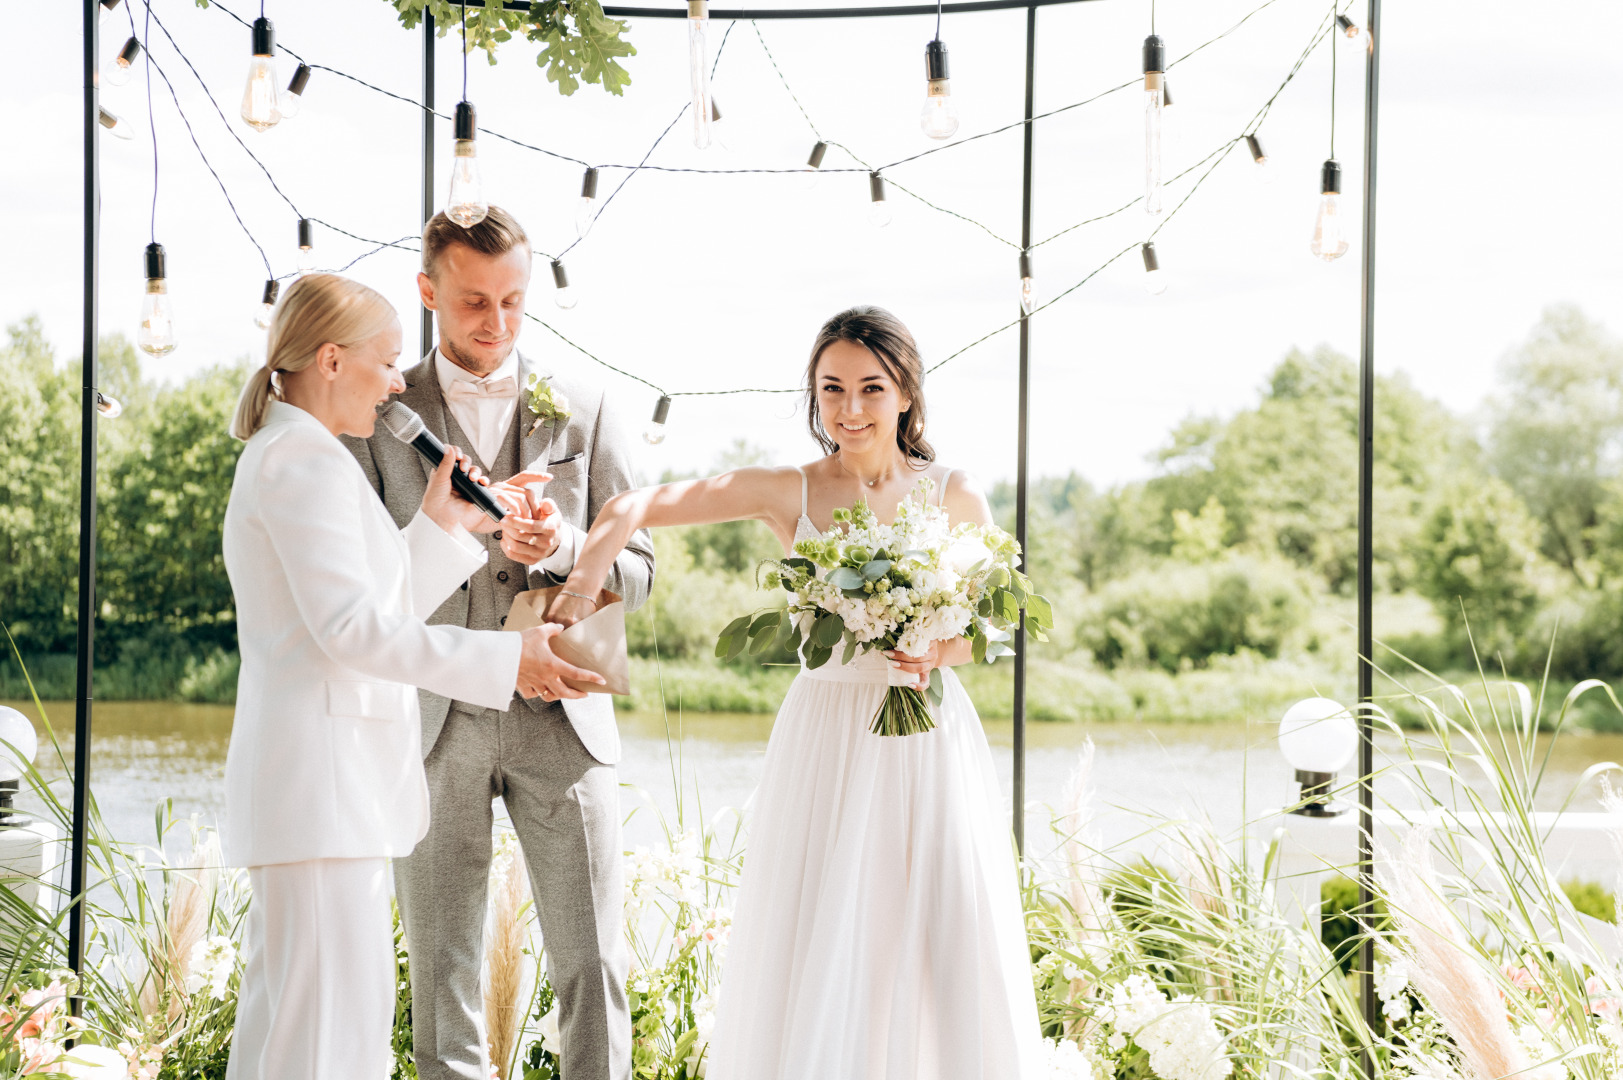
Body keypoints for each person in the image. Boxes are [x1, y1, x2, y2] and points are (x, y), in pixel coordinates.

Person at [551, 306, 1043, 1079]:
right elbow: (629, 508)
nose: (849, 410)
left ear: (906, 393)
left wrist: (929, 648)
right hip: (825, 736)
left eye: (870, 388)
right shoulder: (790, 491)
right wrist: (579, 593)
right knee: (823, 925)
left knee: (929, 927)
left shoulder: (955, 494)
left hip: (923, 741)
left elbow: (986, 632)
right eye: (831, 389)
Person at [221, 273, 602, 1079]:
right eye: (388, 361)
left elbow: (366, 605)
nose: (399, 382)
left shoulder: (297, 454)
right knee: (321, 1046)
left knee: (307, 1034)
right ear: (330, 360)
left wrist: (440, 523)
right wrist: (509, 657)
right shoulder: (305, 462)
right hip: (323, 799)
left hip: (328, 802)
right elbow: (354, 633)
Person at [343, 207, 654, 1080]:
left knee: (592, 965)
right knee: (442, 975)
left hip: (566, 720)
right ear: (427, 291)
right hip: (433, 722)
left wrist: (560, 549)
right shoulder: (378, 404)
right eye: (474, 301)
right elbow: (363, 581)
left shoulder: (585, 406)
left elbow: (642, 567)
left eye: (514, 301)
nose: (498, 322)